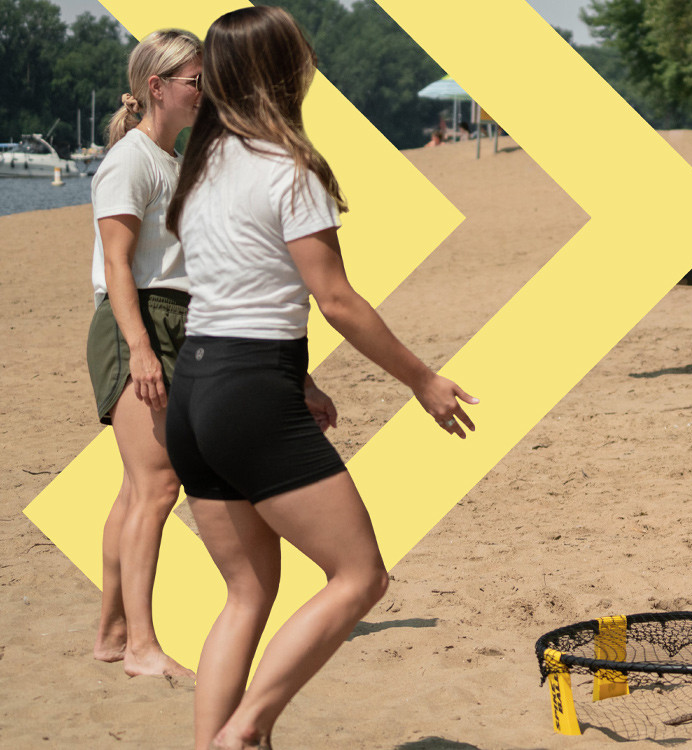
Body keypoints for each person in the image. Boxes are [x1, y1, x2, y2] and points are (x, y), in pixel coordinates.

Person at [163, 7, 478, 749]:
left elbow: (238, 286)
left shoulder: (201, 168)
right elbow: (334, 300)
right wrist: (422, 379)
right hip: (248, 391)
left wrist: (298, 380)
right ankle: (246, 729)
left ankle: (218, 744)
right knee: (360, 576)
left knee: (246, 593)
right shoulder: (288, 168)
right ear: (283, 70)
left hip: (196, 389)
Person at [85, 27, 203, 679]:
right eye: (196, 81)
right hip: (138, 323)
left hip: (170, 321)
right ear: (157, 87)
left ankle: (111, 633)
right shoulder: (130, 161)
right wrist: (141, 349)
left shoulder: (170, 160)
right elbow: (117, 264)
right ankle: (141, 647)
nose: (205, 92)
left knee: (137, 488)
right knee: (158, 486)